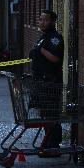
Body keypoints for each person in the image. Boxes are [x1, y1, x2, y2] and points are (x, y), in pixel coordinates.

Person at [29, 10, 64, 155]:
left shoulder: (55, 38)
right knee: (45, 114)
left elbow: (55, 58)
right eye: (40, 19)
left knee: (51, 114)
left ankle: (54, 145)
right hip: (41, 83)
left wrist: (41, 50)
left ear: (53, 22)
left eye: (45, 20)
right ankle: (48, 143)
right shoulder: (44, 37)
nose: (42, 22)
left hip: (51, 83)